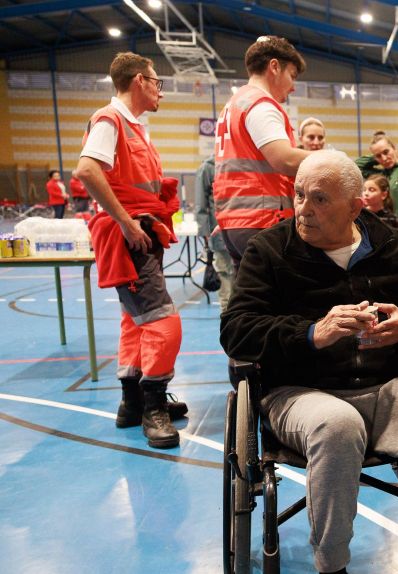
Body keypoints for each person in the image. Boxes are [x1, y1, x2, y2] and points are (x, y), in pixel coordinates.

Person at [220, 150, 398, 574]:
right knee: (339, 426)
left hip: (386, 388)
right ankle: (332, 565)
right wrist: (310, 333)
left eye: (319, 199)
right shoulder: (268, 251)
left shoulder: (392, 245)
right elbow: (236, 330)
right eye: (299, 194)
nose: (303, 209)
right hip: (302, 393)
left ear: (355, 206)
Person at [75, 52, 187, 449]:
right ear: (140, 80)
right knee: (162, 322)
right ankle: (153, 406)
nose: (160, 91)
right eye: (157, 82)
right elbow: (86, 170)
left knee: (135, 321)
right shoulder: (110, 119)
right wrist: (125, 221)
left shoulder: (136, 127)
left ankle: (132, 401)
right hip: (129, 236)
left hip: (142, 233)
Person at [213, 35, 310, 272]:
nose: (293, 86)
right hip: (262, 220)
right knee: (277, 304)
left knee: (250, 303)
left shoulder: (234, 104)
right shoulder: (261, 105)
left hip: (235, 221)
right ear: (274, 67)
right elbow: (284, 159)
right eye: (292, 75)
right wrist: (334, 160)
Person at [194, 155, 235, 310]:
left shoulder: (237, 163)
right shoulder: (207, 167)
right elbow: (201, 205)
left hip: (240, 231)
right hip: (219, 235)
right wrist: (206, 235)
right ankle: (228, 323)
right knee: (226, 277)